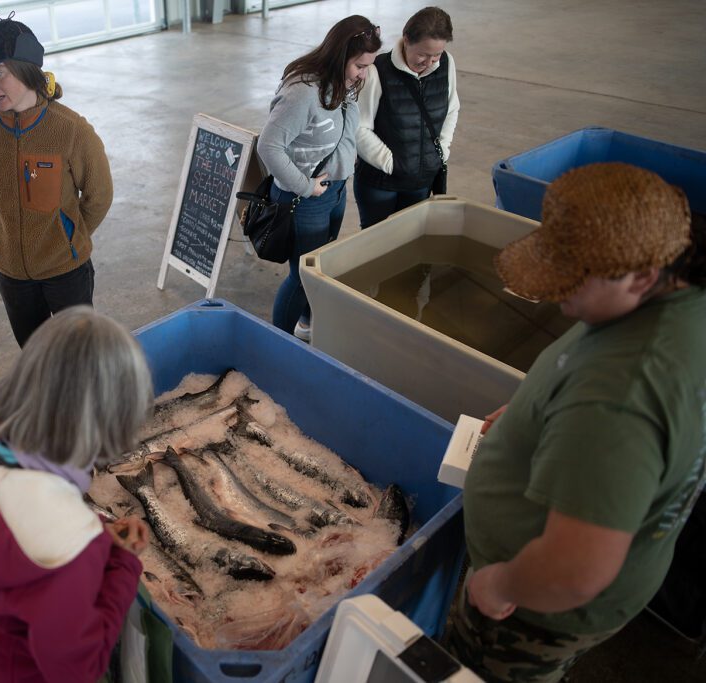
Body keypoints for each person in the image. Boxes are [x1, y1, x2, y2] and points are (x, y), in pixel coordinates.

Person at [446, 163, 706, 682]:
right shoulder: (681, 297)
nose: (555, 295)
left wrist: (496, 586)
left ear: (643, 273)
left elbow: (574, 571)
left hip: (530, 613)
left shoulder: (620, 396)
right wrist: (533, 414)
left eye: (571, 282)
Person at [0, 306, 153, 682]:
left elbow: (2, 517)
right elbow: (77, 669)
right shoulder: (64, 549)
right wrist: (123, 564)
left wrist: (95, 530)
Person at [0, 14, 113, 347]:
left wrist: (67, 238)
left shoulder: (71, 130)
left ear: (26, 69)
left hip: (65, 273)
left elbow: (99, 196)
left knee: (79, 356)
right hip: (10, 274)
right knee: (35, 357)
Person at [257, 15, 382, 340]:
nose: (363, 74)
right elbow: (269, 146)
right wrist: (305, 186)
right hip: (305, 197)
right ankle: (280, 341)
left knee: (319, 268)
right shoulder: (302, 92)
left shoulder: (344, 82)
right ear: (340, 56)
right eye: (359, 65)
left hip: (335, 189)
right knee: (302, 276)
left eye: (368, 66)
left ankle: (309, 322)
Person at [353, 6, 460, 229]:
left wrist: (442, 149)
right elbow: (359, 128)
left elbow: (452, 109)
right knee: (376, 245)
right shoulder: (376, 71)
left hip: (421, 181)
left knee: (410, 240)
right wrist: (392, 164)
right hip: (380, 184)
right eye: (422, 54)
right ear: (406, 39)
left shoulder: (446, 63)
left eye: (436, 55)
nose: (430, 62)